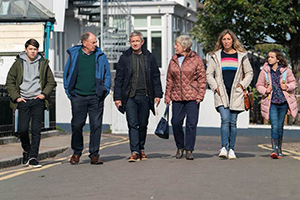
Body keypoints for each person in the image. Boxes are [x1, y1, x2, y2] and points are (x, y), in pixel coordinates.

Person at [6, 39, 57, 168]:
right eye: (30, 49)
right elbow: (10, 81)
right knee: (22, 130)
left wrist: (43, 95)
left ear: (37, 50)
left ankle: (33, 157)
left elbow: (51, 82)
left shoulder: (43, 63)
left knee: (35, 130)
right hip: (23, 100)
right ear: (26, 50)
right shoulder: (18, 63)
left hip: (37, 101)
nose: (33, 52)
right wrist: (16, 97)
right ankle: (27, 150)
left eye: (35, 49)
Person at [114, 31, 163, 162]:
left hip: (145, 96)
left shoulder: (149, 57)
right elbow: (119, 79)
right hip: (130, 97)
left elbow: (155, 76)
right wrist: (117, 97)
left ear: (142, 42)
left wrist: (158, 94)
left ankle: (141, 148)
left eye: (137, 41)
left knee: (143, 124)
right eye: (132, 41)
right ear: (130, 43)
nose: (135, 43)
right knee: (132, 124)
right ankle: (134, 151)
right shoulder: (125, 57)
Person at [63, 32, 111, 165]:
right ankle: (77, 152)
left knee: (96, 126)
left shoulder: (100, 56)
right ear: (85, 43)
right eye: (93, 42)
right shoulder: (75, 55)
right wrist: (69, 93)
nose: (96, 45)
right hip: (78, 97)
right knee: (77, 125)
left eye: (96, 42)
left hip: (96, 97)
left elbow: (107, 74)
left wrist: (104, 90)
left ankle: (94, 154)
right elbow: (67, 74)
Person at [206, 29, 253, 159]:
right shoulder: (215, 56)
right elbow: (209, 74)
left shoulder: (242, 55)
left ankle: (231, 149)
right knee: (225, 119)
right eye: (224, 39)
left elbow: (249, 73)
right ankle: (223, 148)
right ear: (221, 41)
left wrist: (242, 85)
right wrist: (215, 87)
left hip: (236, 93)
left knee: (233, 122)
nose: (226, 41)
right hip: (221, 93)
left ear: (233, 40)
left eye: (228, 39)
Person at [165, 35, 206, 160]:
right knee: (176, 122)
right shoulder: (173, 60)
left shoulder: (197, 59)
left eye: (177, 45)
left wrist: (200, 95)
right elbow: (169, 79)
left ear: (185, 46)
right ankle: (180, 146)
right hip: (177, 97)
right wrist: (167, 96)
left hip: (193, 97)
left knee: (191, 124)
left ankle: (189, 149)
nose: (175, 47)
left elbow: (202, 79)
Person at [256, 49, 298, 159]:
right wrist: (265, 90)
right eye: (268, 57)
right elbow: (259, 85)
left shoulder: (286, 71)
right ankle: (274, 149)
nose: (269, 59)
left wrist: (287, 87)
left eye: (272, 57)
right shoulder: (264, 71)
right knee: (274, 125)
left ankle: (279, 148)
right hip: (272, 102)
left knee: (280, 126)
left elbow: (294, 83)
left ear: (278, 59)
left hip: (283, 102)